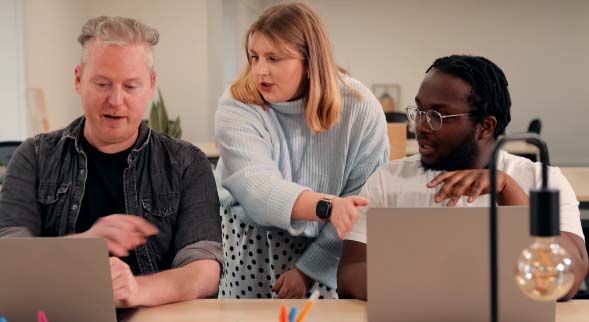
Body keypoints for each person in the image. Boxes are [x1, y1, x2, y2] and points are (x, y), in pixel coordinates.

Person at [0, 16, 222, 308]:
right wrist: (85, 246)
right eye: (103, 84)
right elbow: (8, 261)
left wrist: (135, 290)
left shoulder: (187, 163)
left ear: (151, 85)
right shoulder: (35, 156)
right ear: (78, 79)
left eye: (130, 86)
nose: (116, 101)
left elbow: (204, 271)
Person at [338, 55, 589, 301]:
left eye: (437, 116)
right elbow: (350, 274)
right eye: (420, 111)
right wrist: (437, 288)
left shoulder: (541, 181)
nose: (421, 126)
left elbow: (570, 279)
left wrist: (507, 190)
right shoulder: (387, 181)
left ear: (485, 126)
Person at [215, 2, 389, 299]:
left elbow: (357, 205)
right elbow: (259, 189)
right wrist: (330, 207)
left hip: (328, 246)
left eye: (274, 58)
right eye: (255, 57)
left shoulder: (360, 108)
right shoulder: (237, 103)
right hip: (251, 245)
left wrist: (309, 270)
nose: (260, 70)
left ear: (311, 61)